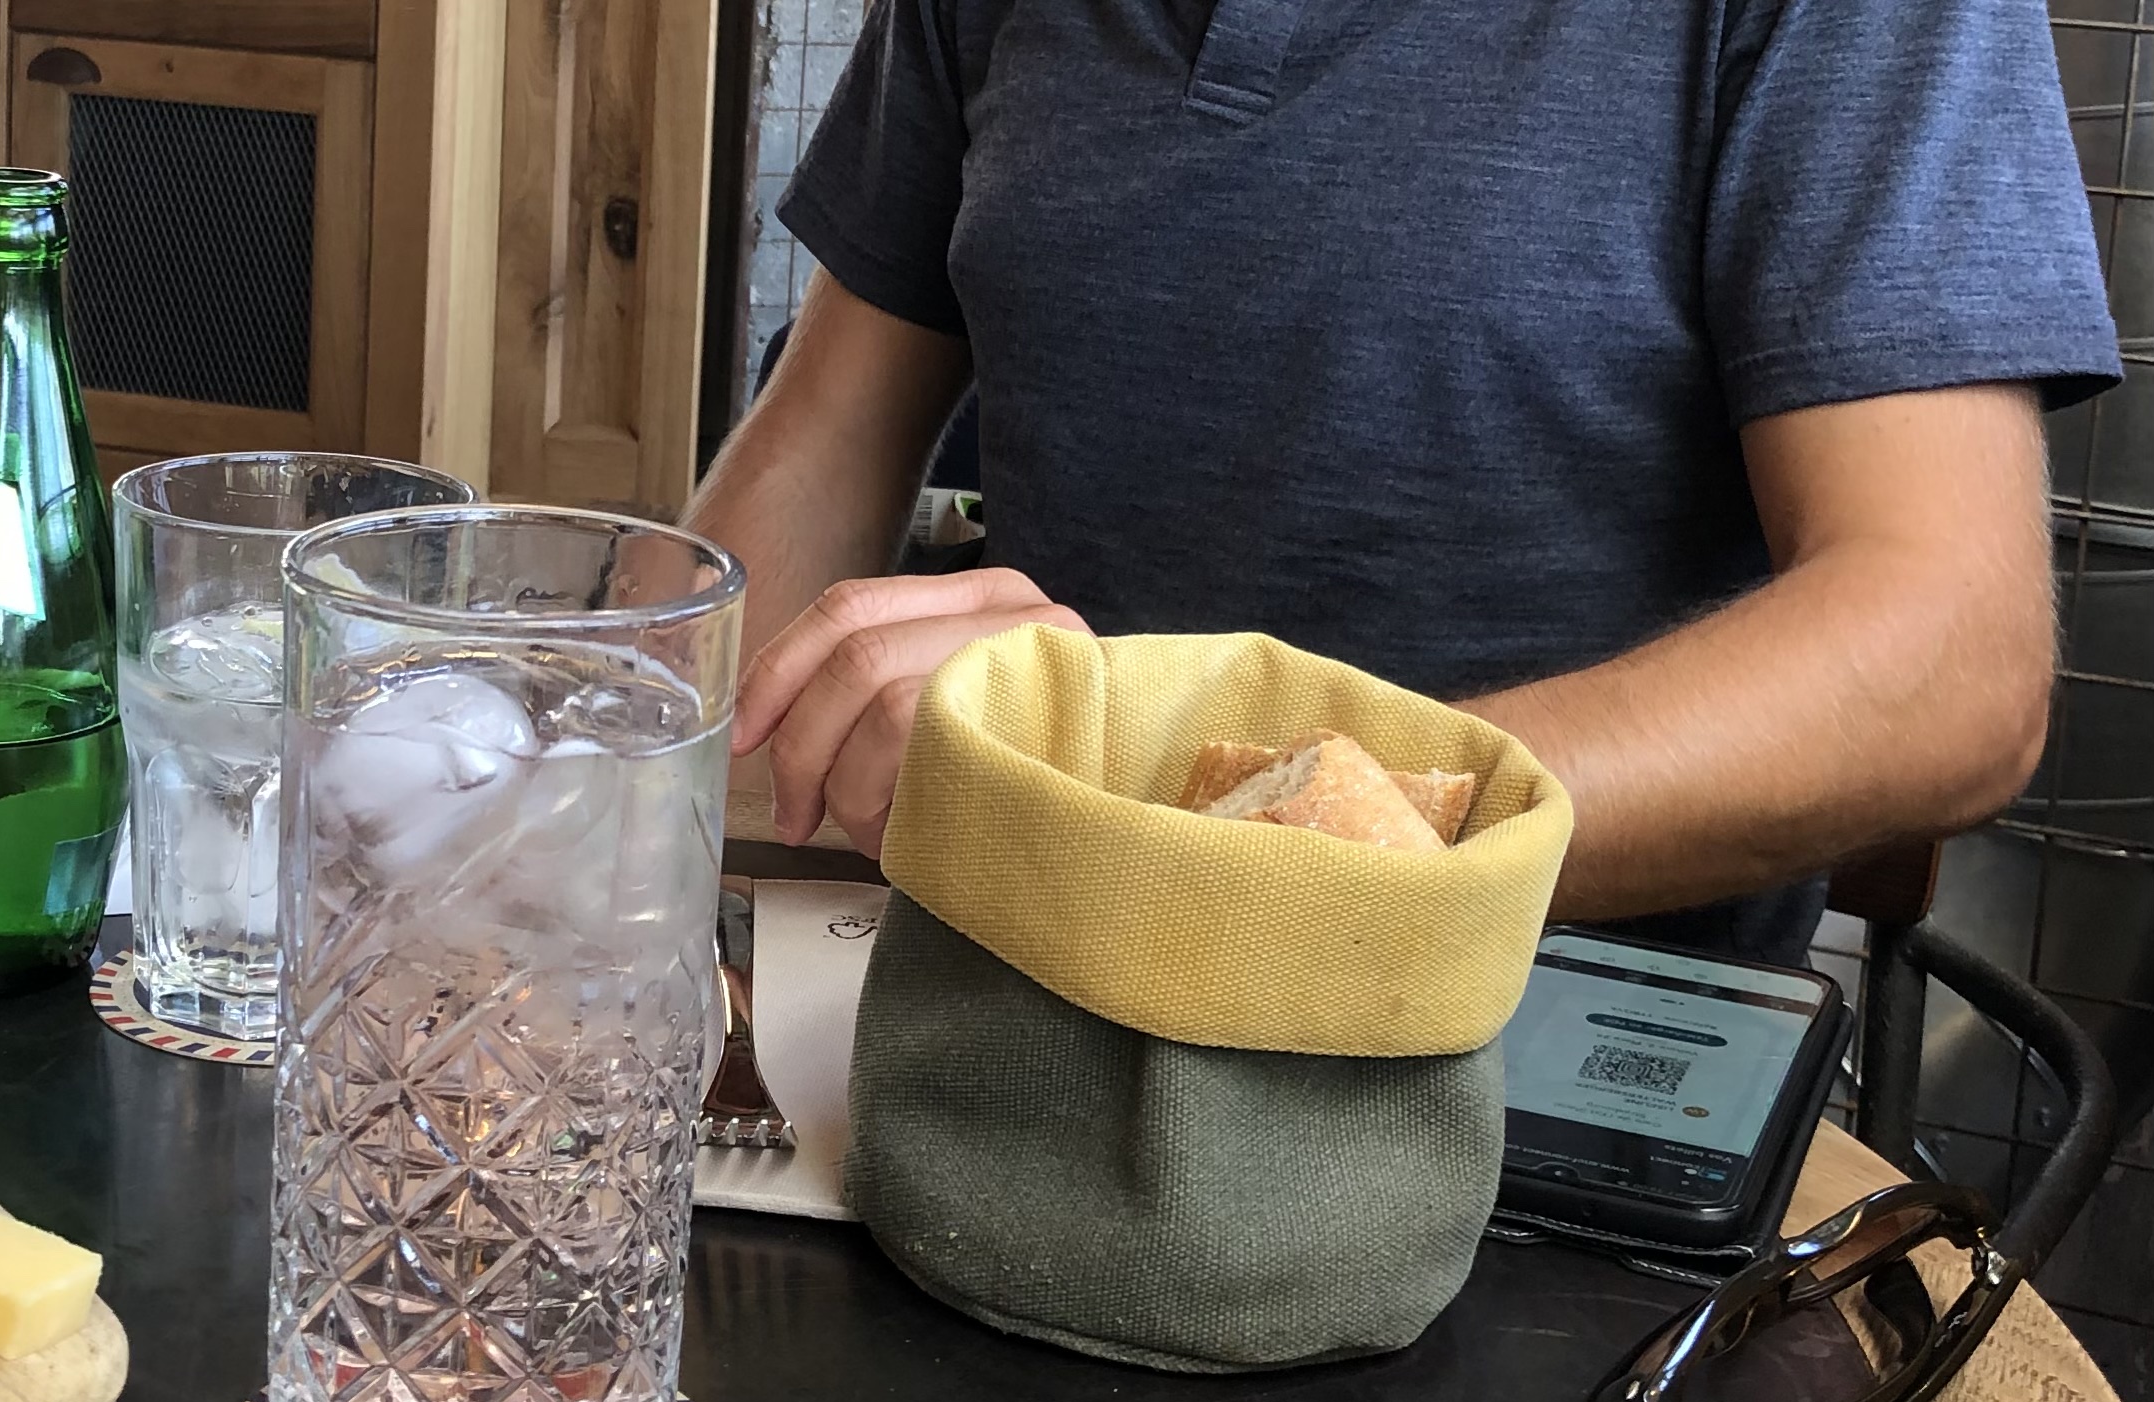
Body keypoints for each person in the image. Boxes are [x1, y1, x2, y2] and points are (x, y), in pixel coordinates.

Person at [691, 0, 2122, 964]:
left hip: (1535, 1089)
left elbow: (1954, 657)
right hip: (1030, 1002)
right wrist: (596, 773)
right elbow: (819, 440)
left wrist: (1214, 822)